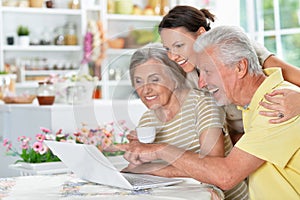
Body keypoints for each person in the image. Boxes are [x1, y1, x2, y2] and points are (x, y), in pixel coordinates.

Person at [118, 26, 300, 199]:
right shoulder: (254, 102)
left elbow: (226, 176)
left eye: (208, 71)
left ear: (240, 67)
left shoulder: (276, 103)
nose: (201, 83)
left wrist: (159, 150)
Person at [158, 5, 300, 144]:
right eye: (167, 49)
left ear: (201, 33)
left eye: (179, 46)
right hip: (243, 143)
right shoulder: (186, 79)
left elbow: (295, 77)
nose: (173, 56)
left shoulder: (236, 48)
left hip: (274, 131)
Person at [126, 43, 248, 200]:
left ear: (175, 77)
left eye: (154, 79)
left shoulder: (202, 103)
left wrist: (152, 168)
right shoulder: (147, 119)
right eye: (138, 81)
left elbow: (213, 170)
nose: (146, 90)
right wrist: (136, 158)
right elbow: (145, 169)